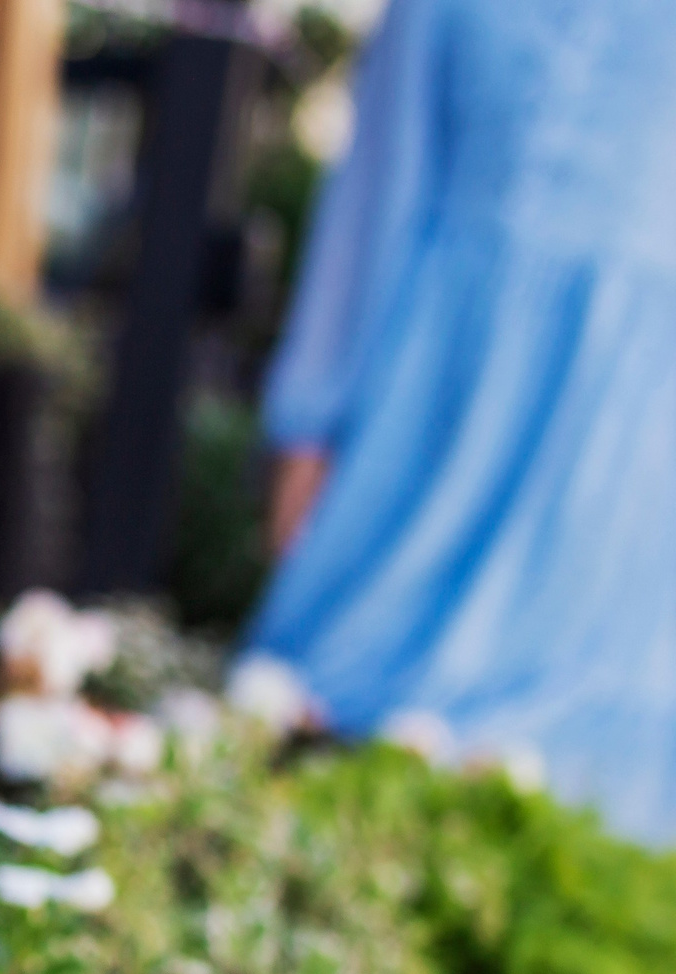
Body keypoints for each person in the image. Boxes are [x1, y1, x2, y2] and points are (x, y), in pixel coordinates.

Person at [252, 0, 676, 841]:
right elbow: (375, 194)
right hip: (433, 427)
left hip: (626, 477)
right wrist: (311, 421)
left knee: (583, 822)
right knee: (335, 742)